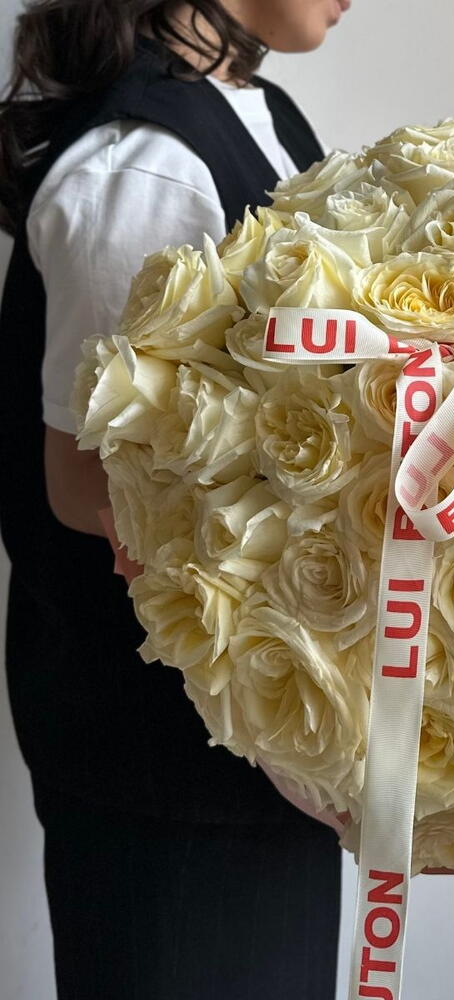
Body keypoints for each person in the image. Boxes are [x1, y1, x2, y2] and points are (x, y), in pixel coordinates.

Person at [0, 2, 353, 997]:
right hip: (164, 755)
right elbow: (86, 479)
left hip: (258, 745)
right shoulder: (144, 164)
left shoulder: (258, 111)